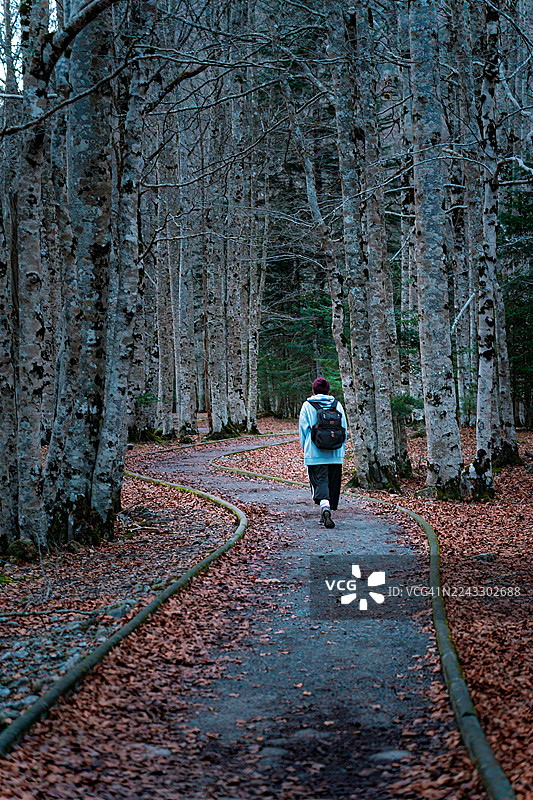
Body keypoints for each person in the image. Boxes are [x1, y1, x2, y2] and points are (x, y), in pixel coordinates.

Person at [298, 377, 347, 529]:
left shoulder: (307, 405)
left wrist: (306, 449)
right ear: (328, 391)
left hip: (315, 453)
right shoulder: (337, 405)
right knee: (332, 484)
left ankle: (325, 509)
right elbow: (344, 429)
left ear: (313, 390)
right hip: (335, 453)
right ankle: (327, 510)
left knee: (320, 482)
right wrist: (341, 449)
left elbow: (303, 431)